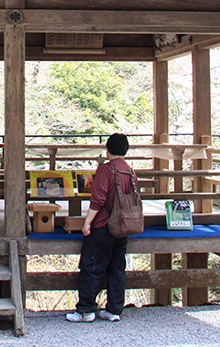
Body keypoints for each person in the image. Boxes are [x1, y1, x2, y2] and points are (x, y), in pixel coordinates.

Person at [66, 132, 133, 323]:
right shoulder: (130, 170)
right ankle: (114, 310)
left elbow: (99, 199)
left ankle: (86, 309)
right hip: (124, 225)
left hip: (104, 224)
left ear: (108, 149)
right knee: (117, 267)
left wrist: (88, 222)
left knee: (92, 266)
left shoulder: (106, 169)